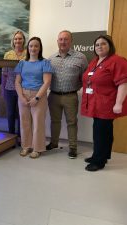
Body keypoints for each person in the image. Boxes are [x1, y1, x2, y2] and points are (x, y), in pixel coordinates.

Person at [81, 35, 127, 171]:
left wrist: (119, 103)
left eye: (103, 44)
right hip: (95, 103)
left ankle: (98, 161)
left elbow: (123, 83)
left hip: (106, 104)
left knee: (101, 132)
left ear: (110, 45)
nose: (99, 46)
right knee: (100, 131)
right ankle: (100, 155)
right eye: (97, 45)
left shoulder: (117, 61)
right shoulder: (95, 61)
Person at [46, 30, 88, 159]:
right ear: (57, 41)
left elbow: (85, 77)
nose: (63, 42)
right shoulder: (51, 59)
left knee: (71, 122)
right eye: (61, 39)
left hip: (70, 96)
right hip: (53, 95)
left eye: (66, 39)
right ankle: (53, 143)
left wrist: (76, 87)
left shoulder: (80, 57)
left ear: (71, 41)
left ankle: (73, 148)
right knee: (55, 121)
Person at [14, 37, 53, 158]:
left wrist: (36, 98)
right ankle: (26, 146)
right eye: (31, 46)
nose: (33, 48)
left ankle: (37, 148)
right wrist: (21, 97)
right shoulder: (22, 63)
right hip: (24, 95)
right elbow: (17, 82)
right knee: (24, 122)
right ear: (28, 47)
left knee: (38, 123)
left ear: (40, 48)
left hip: (39, 96)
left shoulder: (45, 63)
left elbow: (47, 82)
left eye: (36, 46)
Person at [1, 30, 27, 142]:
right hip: (9, 88)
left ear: (23, 40)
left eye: (20, 38)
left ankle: (21, 136)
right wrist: (2, 89)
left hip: (23, 88)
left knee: (22, 114)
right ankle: (11, 137)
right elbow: (4, 73)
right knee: (10, 113)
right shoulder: (8, 54)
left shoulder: (28, 54)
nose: (18, 40)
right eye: (16, 38)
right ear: (13, 40)